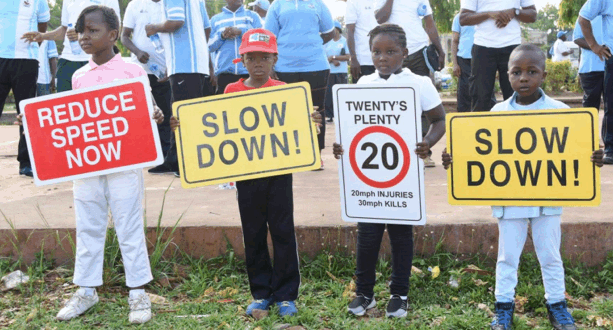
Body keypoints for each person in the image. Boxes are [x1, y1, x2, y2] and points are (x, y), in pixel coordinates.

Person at [442, 44, 604, 330]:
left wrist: (593, 157)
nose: (524, 78)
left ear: (543, 74)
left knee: (551, 257)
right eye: (517, 72)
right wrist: (455, 159)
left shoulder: (560, 111)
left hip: (548, 201)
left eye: (532, 71)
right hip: (510, 201)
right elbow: (481, 154)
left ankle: (557, 307)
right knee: (506, 258)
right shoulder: (497, 112)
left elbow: (576, 150)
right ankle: (503, 310)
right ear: (507, 75)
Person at [170, 28, 322, 317]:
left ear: (274, 59)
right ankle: (261, 293)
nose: (258, 64)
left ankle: (287, 295)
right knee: (252, 232)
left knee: (282, 231)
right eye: (251, 58)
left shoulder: (285, 92)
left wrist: (312, 119)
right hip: (247, 176)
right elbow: (213, 126)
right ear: (242, 60)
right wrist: (184, 126)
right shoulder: (231, 91)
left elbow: (300, 130)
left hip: (279, 174)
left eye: (264, 57)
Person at [28, 6, 163, 324]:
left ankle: (138, 293)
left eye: (92, 30)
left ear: (113, 35)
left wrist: (154, 113)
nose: (83, 36)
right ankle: (86, 290)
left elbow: (149, 107)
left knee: (129, 225)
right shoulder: (78, 76)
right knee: (88, 224)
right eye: (80, 30)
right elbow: (69, 122)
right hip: (86, 166)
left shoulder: (132, 71)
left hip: (125, 164)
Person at [332, 24, 446, 319]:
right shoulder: (362, 84)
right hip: (367, 178)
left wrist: (427, 142)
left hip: (403, 175)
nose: (382, 57)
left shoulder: (419, 82)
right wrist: (341, 146)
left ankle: (400, 293)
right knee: (367, 235)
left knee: (400, 235)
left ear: (405, 53)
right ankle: (365, 293)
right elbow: (351, 129)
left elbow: (439, 119)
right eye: (376, 52)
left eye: (391, 51)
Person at [265, 0, 334, 170]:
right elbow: (269, 37)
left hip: (316, 64)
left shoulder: (318, 4)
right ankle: (290, 155)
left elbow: (329, 32)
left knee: (316, 110)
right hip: (284, 66)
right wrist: (271, 66)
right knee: (286, 112)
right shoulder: (277, 5)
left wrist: (309, 44)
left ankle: (315, 155)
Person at [146, 0, 213, 175]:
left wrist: (154, 28)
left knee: (184, 116)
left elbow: (176, 22)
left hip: (186, 64)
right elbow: (206, 27)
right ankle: (174, 160)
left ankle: (189, 163)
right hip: (191, 63)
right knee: (178, 113)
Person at [374, 0, 444, 167]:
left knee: (422, 103)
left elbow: (429, 23)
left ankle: (424, 151)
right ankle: (393, 151)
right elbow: (380, 18)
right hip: (392, 53)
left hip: (418, 51)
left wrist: (440, 49)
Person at [23, 0, 120, 93]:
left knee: (94, 104)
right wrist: (43, 36)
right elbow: (64, 29)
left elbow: (115, 29)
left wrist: (81, 33)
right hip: (67, 61)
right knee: (65, 105)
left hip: (95, 60)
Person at [459, 0, 537, 112]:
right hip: (483, 47)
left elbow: (533, 15)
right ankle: (482, 128)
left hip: (512, 48)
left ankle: (515, 128)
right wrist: (489, 14)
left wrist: (515, 12)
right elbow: (463, 18)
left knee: (515, 98)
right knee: (480, 98)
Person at [1, 0, 49, 177]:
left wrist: (35, 45)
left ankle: (26, 163)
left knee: (27, 114)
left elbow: (43, 24)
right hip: (0, 58)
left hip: (26, 60)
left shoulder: (39, 1)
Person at [122, 0, 173, 157]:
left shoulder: (171, 4)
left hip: (166, 72)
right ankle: (146, 155)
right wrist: (137, 52)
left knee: (165, 114)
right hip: (140, 71)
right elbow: (123, 36)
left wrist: (171, 67)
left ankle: (165, 157)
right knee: (143, 115)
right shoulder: (135, 5)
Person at [578, 0, 613, 164]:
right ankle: (601, 146)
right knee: (597, 105)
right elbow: (578, 35)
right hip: (592, 67)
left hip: (603, 66)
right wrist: (595, 46)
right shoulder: (596, 7)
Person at [208, 0, 262, 95]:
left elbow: (261, 39)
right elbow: (209, 46)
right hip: (224, 74)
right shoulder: (215, 20)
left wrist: (241, 32)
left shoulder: (253, 16)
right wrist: (222, 36)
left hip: (249, 73)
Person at [574, 16, 605, 111]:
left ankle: (607, 127)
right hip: (590, 68)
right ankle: (589, 126)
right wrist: (596, 47)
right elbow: (577, 39)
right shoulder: (585, 16)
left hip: (609, 67)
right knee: (590, 105)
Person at [323, 21, 350, 122]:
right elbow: (323, 57)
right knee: (329, 94)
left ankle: (341, 115)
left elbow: (348, 56)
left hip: (341, 72)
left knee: (341, 94)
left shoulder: (344, 41)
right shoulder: (326, 42)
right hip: (329, 72)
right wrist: (331, 59)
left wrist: (334, 57)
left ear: (338, 30)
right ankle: (329, 115)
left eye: (334, 30)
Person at [345, 0, 378, 82]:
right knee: (362, 94)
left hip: (383, 60)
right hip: (362, 61)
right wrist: (353, 59)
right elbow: (350, 32)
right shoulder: (353, 2)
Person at [451, 12, 475, 113]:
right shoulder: (459, 17)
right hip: (463, 59)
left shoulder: (484, 15)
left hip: (482, 58)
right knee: (464, 91)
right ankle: (463, 119)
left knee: (484, 91)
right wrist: (455, 64)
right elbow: (454, 41)